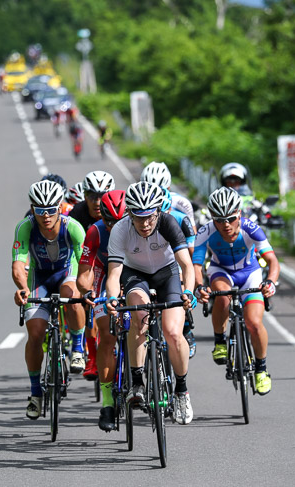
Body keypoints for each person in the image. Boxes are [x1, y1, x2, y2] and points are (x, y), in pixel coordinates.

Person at [104, 181, 197, 425]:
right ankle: (137, 383)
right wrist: (112, 298)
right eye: (138, 217)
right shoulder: (121, 229)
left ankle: (181, 391)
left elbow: (187, 266)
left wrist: (189, 291)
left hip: (167, 273)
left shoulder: (168, 222)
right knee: (139, 315)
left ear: (158, 211)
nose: (145, 224)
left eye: (150, 217)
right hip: (135, 275)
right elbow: (114, 274)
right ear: (129, 214)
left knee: (174, 333)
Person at [192, 187, 279, 395]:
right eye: (219, 220)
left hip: (250, 272)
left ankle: (261, 369)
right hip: (221, 271)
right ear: (212, 217)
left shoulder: (251, 228)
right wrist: (200, 286)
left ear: (238, 213)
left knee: (254, 323)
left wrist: (271, 282)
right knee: (222, 297)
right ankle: (220, 341)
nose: (226, 225)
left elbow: (272, 260)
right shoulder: (206, 231)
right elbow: (196, 264)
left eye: (230, 218)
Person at [12, 180, 87, 419]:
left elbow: (86, 263)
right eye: (40, 210)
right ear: (32, 208)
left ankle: (77, 348)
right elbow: (18, 265)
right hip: (39, 278)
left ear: (60, 207)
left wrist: (87, 289)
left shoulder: (73, 227)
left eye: (51, 210)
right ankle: (35, 393)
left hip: (67, 272)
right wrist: (22, 288)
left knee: (72, 297)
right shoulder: (25, 227)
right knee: (35, 334)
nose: (46, 216)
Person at [76, 190, 126, 431]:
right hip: (105, 276)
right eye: (109, 222)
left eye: (120, 222)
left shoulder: (140, 227)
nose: (114, 227)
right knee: (106, 335)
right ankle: (107, 404)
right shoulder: (95, 231)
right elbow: (84, 272)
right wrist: (88, 293)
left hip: (136, 275)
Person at [67, 170, 115, 381]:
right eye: (92, 196)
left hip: (113, 262)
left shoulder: (120, 211)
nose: (97, 202)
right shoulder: (77, 213)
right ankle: (93, 357)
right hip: (87, 262)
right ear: (84, 196)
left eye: (102, 196)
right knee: (87, 303)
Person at [161, 188, 198, 359]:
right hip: (153, 263)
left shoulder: (180, 219)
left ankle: (186, 328)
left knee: (181, 292)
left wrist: (188, 285)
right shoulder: (143, 222)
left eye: (165, 212)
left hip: (176, 260)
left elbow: (190, 254)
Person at [140, 161, 196, 229]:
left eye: (160, 193)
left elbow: (193, 235)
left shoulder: (182, 203)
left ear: (168, 189)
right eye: (149, 192)